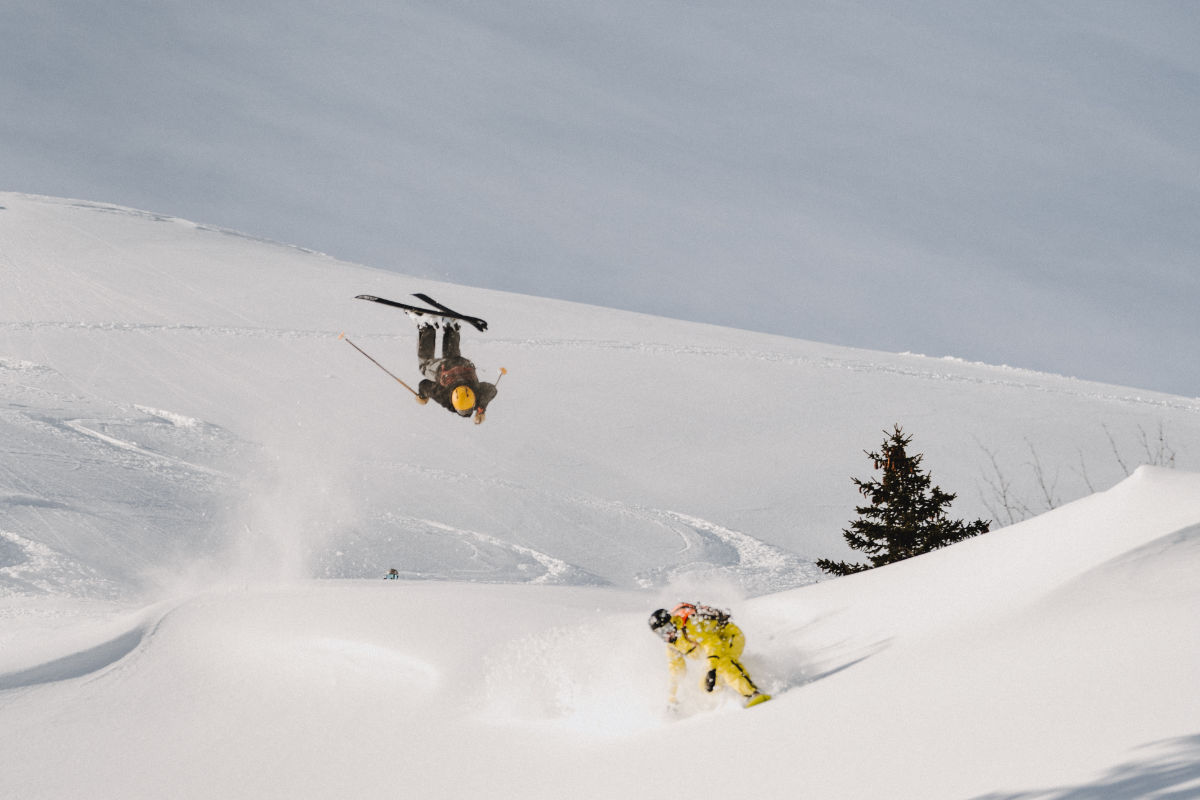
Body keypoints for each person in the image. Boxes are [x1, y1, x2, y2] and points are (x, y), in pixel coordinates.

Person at [648, 603, 771, 709]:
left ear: (672, 622)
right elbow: (676, 672)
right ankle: (733, 696)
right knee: (706, 686)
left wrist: (712, 668)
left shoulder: (690, 626)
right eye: (660, 633)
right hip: (714, 651)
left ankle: (753, 693)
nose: (666, 634)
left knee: (723, 662)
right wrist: (672, 699)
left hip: (730, 636)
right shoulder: (672, 646)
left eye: (667, 628)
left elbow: (713, 643)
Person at [414, 321, 497, 424]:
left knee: (452, 357)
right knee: (424, 366)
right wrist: (423, 396)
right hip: (446, 369)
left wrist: (481, 409)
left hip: (462, 364)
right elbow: (424, 385)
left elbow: (492, 389)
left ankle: (452, 328)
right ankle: (427, 327)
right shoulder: (444, 397)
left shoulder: (478, 395)